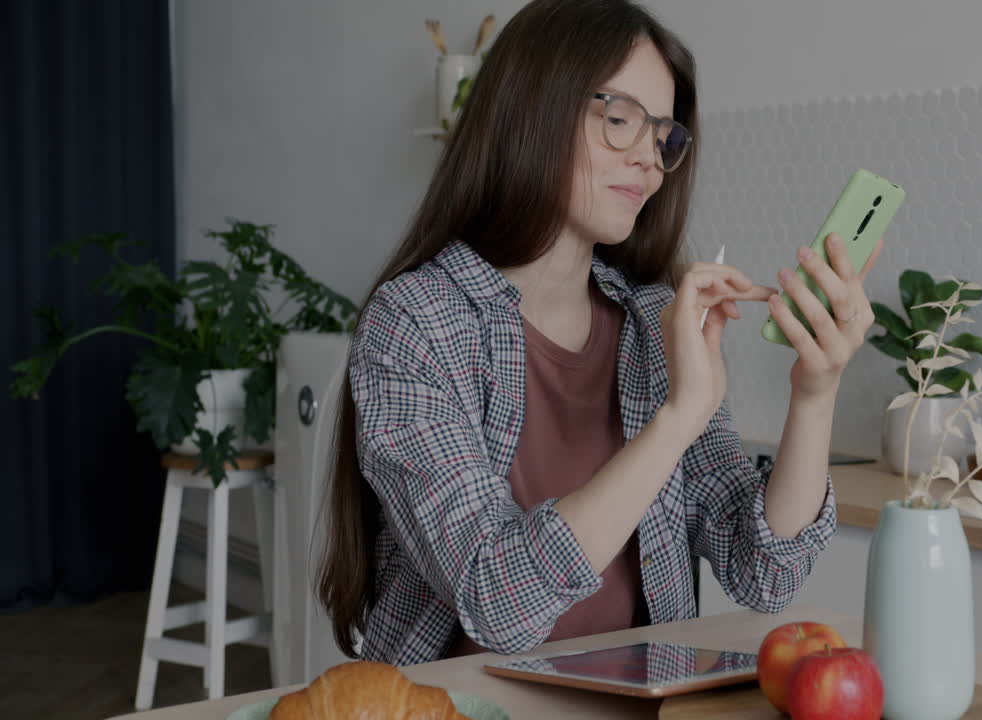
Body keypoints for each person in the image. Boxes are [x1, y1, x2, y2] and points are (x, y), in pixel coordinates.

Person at [317, 0, 882, 666]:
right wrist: (676, 419)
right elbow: (497, 601)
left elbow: (764, 570)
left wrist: (815, 391)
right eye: (620, 120)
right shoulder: (416, 322)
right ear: (535, 109)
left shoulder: (652, 323)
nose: (649, 158)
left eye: (664, 136)